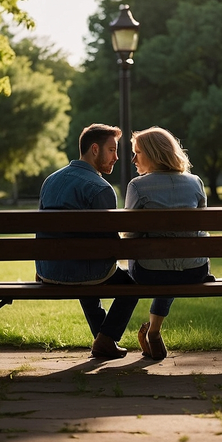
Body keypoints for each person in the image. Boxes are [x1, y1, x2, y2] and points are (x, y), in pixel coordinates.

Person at [36, 123, 138, 359]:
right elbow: (109, 247)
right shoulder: (101, 188)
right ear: (94, 149)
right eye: (112, 150)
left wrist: (43, 267)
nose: (116, 158)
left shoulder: (50, 181)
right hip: (84, 272)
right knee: (131, 286)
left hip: (48, 271)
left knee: (86, 269)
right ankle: (105, 339)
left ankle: (104, 340)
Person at [124, 126, 214, 361]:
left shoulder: (137, 186)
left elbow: (129, 235)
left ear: (154, 154)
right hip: (195, 271)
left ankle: (128, 334)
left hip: (149, 274)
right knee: (176, 257)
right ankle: (154, 332)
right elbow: (199, 229)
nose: (133, 159)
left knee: (159, 261)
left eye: (138, 153)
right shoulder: (196, 183)